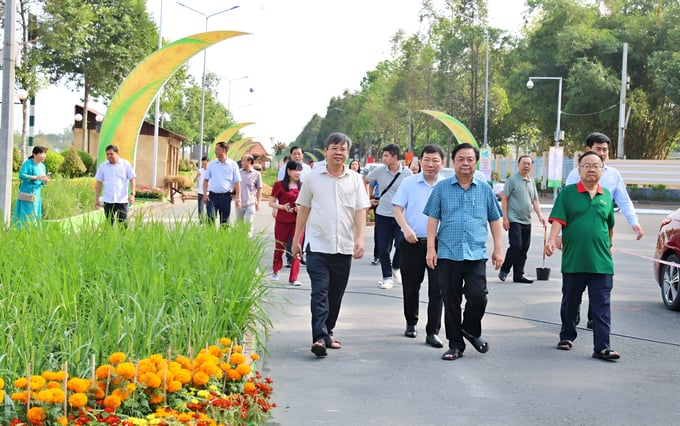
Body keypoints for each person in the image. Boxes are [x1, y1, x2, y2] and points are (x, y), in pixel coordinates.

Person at [292, 132, 370, 358]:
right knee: (319, 292)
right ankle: (319, 337)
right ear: (326, 151)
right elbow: (303, 208)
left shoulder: (355, 179)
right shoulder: (313, 178)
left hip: (343, 247)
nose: (338, 152)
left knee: (335, 294)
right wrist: (297, 239)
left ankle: (328, 332)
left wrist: (360, 238)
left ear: (348, 153)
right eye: (334, 148)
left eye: (343, 149)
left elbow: (360, 211)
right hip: (317, 245)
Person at [424, 143, 504, 361]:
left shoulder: (484, 187)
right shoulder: (442, 188)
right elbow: (432, 219)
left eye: (469, 159)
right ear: (454, 161)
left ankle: (469, 329)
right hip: (448, 253)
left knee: (479, 297)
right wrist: (431, 249)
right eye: (461, 159)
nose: (465, 163)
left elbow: (495, 219)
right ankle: (455, 345)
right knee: (450, 301)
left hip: (475, 253)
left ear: (475, 162)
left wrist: (498, 248)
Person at [562, 132, 643, 329]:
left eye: (605, 149)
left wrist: (634, 222)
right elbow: (564, 206)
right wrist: (558, 236)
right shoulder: (575, 174)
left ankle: (594, 317)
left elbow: (623, 200)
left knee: (599, 279)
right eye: (598, 149)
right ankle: (572, 320)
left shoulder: (613, 175)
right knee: (576, 283)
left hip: (601, 239)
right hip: (577, 240)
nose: (603, 153)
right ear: (588, 149)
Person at [545, 151, 620, 361]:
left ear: (602, 170)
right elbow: (558, 219)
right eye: (586, 165)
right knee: (571, 301)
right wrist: (551, 240)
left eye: (596, 166)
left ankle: (602, 347)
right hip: (574, 260)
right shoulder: (568, 193)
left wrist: (610, 245)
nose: (591, 169)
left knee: (601, 306)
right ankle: (567, 336)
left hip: (602, 262)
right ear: (579, 170)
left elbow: (609, 226)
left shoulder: (606, 195)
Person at [392, 145, 445, 347]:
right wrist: (406, 229)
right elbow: (398, 209)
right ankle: (411, 322)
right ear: (420, 161)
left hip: (439, 245)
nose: (430, 164)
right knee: (411, 286)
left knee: (438, 289)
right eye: (426, 160)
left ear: (442, 162)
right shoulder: (409, 183)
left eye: (435, 160)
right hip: (412, 243)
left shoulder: (447, 185)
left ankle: (433, 331)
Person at [364, 144, 412, 289]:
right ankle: (387, 277)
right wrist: (367, 198)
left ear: (395, 157)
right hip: (382, 215)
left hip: (401, 217)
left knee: (401, 245)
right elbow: (365, 181)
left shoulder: (408, 174)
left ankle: (396, 267)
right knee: (383, 249)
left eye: (386, 155)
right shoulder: (379, 171)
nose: (383, 158)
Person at [498, 155, 547, 283]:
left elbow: (535, 200)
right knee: (516, 245)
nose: (526, 166)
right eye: (524, 163)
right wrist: (505, 217)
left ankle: (518, 275)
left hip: (527, 220)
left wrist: (540, 215)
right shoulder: (512, 180)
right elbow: (505, 198)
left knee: (524, 248)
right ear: (518, 165)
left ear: (531, 166)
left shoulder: (531, 182)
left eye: (529, 164)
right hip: (514, 219)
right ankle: (504, 269)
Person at [269, 160, 303, 286]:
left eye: (300, 170)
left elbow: (306, 203)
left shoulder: (303, 186)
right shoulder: (279, 185)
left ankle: (294, 277)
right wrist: (282, 207)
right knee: (280, 246)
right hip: (282, 220)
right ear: (288, 171)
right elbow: (271, 202)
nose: (298, 173)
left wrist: (300, 208)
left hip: (298, 221)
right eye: (295, 170)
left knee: (297, 247)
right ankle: (276, 270)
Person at [94, 144, 136, 225]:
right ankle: (109, 238)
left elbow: (132, 179)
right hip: (108, 200)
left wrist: (132, 194)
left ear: (117, 153)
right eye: (107, 154)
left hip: (122, 200)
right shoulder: (103, 166)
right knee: (109, 223)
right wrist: (97, 199)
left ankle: (122, 238)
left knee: (123, 224)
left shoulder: (125, 164)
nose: (109, 156)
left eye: (111, 154)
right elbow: (99, 183)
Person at [203, 142, 241, 227]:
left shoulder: (233, 164)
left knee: (224, 222)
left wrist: (238, 199)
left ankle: (222, 239)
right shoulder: (212, 164)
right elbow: (205, 181)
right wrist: (205, 195)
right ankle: (210, 239)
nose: (215, 151)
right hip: (212, 197)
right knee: (210, 219)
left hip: (226, 197)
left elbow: (237, 182)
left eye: (217, 149)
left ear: (223, 150)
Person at [13, 146, 50, 228]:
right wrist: (35, 177)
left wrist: (45, 181)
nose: (44, 156)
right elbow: (21, 175)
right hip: (27, 192)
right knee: (26, 212)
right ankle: (22, 230)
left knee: (35, 213)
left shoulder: (43, 166)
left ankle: (33, 231)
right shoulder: (28, 163)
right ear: (34, 154)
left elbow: (42, 182)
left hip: (37, 193)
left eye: (45, 154)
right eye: (42, 153)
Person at [237, 153, 263, 237]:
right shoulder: (239, 173)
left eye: (243, 160)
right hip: (239, 203)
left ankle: (247, 241)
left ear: (249, 161)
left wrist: (258, 202)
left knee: (249, 224)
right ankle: (240, 240)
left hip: (250, 203)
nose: (241, 162)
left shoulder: (256, 174)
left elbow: (259, 188)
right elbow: (235, 185)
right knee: (239, 224)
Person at [193, 156, 213, 222]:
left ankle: (209, 223)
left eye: (205, 164)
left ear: (208, 163)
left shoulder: (211, 171)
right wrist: (197, 176)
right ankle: (201, 223)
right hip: (201, 193)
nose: (203, 165)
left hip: (209, 193)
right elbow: (194, 181)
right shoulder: (200, 171)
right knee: (200, 210)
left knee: (209, 210)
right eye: (202, 164)